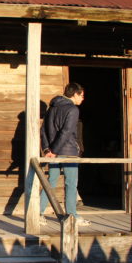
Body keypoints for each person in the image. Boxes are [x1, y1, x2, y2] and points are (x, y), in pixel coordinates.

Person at [39, 82, 91, 226]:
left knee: (50, 182)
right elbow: (66, 132)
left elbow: (43, 130)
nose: (82, 98)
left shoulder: (52, 108)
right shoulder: (73, 109)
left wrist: (47, 150)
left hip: (53, 152)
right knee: (71, 183)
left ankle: (38, 212)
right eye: (81, 95)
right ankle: (72, 215)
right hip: (68, 152)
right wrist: (54, 151)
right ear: (74, 94)